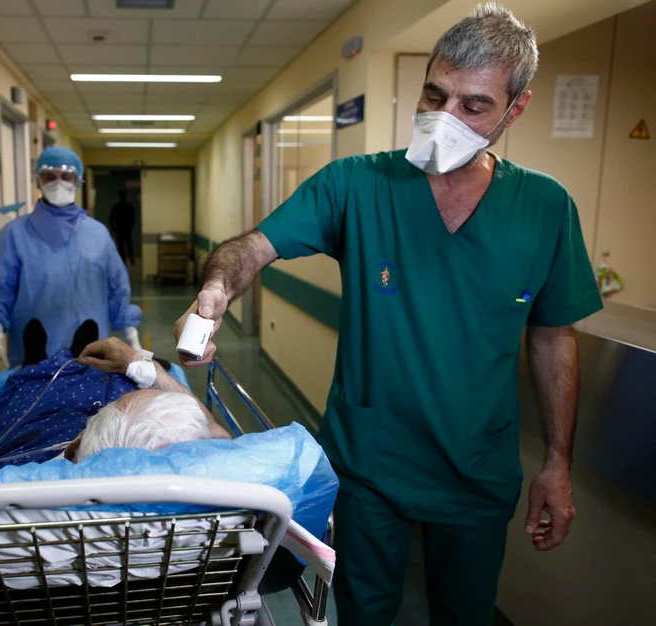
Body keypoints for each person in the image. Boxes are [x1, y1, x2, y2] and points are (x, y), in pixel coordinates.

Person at [174, 5, 603, 625]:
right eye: (435, 95)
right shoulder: (356, 184)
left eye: (474, 105)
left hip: (477, 473)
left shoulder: (545, 207)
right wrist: (216, 289)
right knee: (365, 612)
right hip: (369, 467)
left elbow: (553, 338)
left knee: (467, 615)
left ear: (516, 109)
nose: (445, 117)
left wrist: (558, 463)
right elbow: (251, 248)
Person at [0, 338, 231, 473]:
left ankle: (39, 357)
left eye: (122, 398)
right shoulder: (205, 480)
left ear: (74, 446)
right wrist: (144, 368)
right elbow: (219, 434)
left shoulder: (2, 484)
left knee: (38, 372)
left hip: (34, 400)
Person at [0, 146, 143, 373]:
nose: (58, 183)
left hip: (91, 355)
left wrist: (133, 339)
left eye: (66, 176)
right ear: (38, 180)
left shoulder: (97, 234)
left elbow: (117, 289)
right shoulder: (15, 234)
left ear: (78, 180)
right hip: (32, 357)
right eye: (49, 176)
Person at [110, 189, 137, 265]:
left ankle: (123, 260)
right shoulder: (129, 206)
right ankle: (131, 259)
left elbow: (111, 218)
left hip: (119, 229)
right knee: (129, 244)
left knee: (121, 246)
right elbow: (133, 218)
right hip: (127, 229)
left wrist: (113, 228)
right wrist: (131, 227)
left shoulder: (116, 206)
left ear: (119, 196)